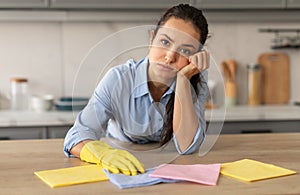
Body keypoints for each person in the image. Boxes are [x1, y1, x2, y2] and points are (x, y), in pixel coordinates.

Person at [64, 4, 209, 176]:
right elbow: (76, 135)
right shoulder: (118, 79)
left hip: (168, 166)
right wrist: (103, 154)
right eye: (164, 42)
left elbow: (187, 147)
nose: (170, 57)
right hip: (122, 155)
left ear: (195, 57)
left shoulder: (194, 82)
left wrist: (184, 80)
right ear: (151, 39)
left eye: (185, 50)